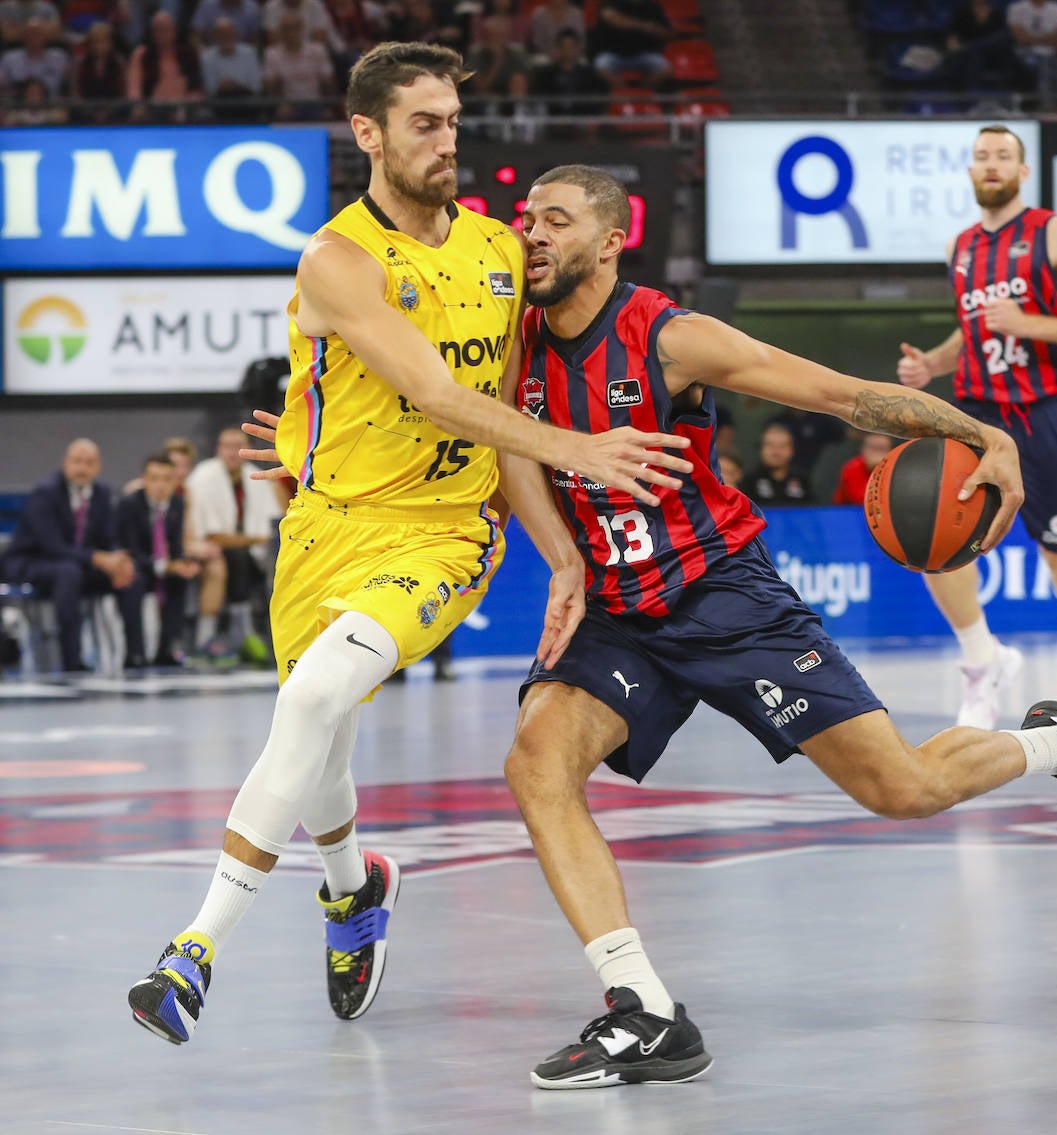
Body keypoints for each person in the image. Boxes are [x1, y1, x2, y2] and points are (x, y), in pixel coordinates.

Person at [498, 164, 1057, 1089]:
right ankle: (644, 1012)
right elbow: (506, 446)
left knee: (902, 789)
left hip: (723, 596)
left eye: (555, 220)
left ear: (611, 240)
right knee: (537, 762)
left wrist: (983, 434)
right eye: (524, 217)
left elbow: (838, 396)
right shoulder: (509, 337)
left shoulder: (670, 336)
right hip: (617, 611)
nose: (530, 233)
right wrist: (563, 558)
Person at [126, 42, 691, 1048]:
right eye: (424, 123)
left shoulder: (501, 253)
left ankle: (193, 949)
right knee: (324, 738)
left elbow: (502, 403)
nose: (446, 142)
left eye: (453, 124)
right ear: (369, 134)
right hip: (325, 528)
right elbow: (429, 389)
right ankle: (355, 889)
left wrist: (561, 526)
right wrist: (313, 431)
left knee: (308, 700)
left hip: (442, 533)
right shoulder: (335, 258)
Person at [896, 123, 1057, 732]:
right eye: (982, 157)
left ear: (1023, 172)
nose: (992, 164)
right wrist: (933, 363)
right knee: (933, 541)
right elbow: (976, 331)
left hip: (1043, 413)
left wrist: (1029, 324)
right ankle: (983, 661)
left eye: (1004, 156)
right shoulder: (961, 247)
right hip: (976, 413)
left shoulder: (1054, 233)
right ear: (972, 172)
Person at [0, 438, 140, 672]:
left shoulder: (102, 493)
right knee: (68, 573)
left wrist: (118, 560)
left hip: (78, 564)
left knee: (133, 575)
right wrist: (98, 559)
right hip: (33, 563)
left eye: (89, 463)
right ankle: (72, 660)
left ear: (98, 467)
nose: (82, 468)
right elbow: (52, 546)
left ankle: (136, 656)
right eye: (77, 461)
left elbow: (108, 539)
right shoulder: (45, 493)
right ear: (65, 463)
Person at [184, 426, 282, 659]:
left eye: (238, 446)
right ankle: (223, 637)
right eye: (226, 446)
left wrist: (253, 540)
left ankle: (268, 638)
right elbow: (212, 535)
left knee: (273, 564)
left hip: (252, 554)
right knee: (235, 560)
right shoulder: (203, 476)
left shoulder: (257, 476)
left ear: (248, 449)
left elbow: (271, 529)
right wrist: (252, 539)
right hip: (207, 550)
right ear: (218, 449)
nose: (232, 452)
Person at [117, 452, 202, 666]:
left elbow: (175, 546)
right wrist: (166, 566)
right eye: (154, 479)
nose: (160, 486)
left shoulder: (177, 504)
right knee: (134, 582)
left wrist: (183, 563)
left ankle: (167, 648)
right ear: (143, 480)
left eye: (166, 479)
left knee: (180, 580)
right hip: (137, 566)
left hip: (162, 566)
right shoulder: (129, 504)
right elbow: (130, 549)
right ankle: (134, 652)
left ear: (175, 482)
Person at [742, 420, 812, 507]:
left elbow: (813, 512)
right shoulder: (748, 481)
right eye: (770, 445)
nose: (776, 452)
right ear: (761, 449)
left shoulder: (803, 480)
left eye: (782, 446)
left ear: (792, 450)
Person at [832, 431, 894, 504]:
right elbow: (859, 498)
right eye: (872, 448)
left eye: (881, 448)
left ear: (891, 451)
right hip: (850, 511)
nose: (876, 453)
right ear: (862, 449)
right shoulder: (852, 467)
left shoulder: (896, 469)